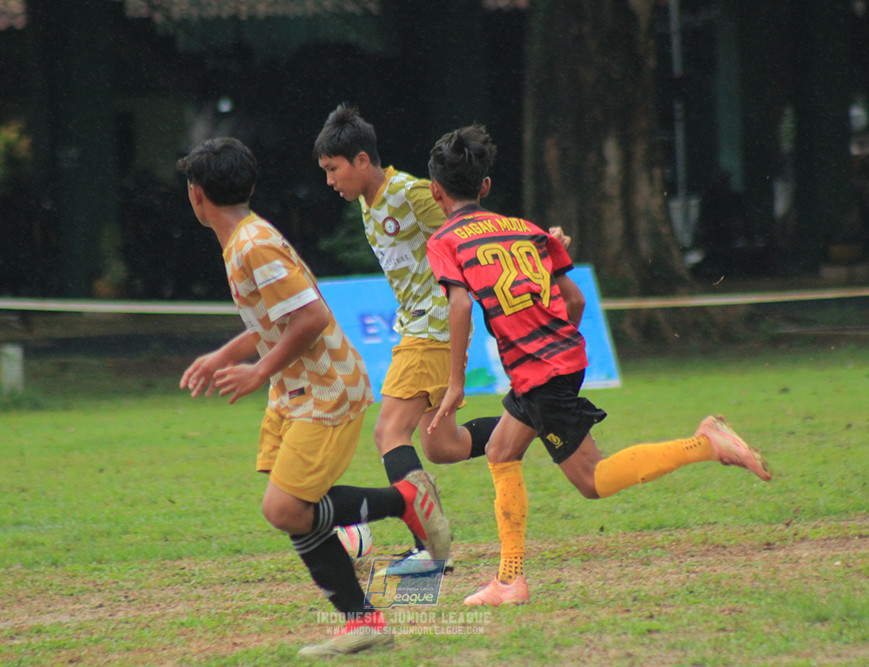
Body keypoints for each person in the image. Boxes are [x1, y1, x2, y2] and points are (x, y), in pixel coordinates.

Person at [424, 125, 772, 607]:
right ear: (485, 187)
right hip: (554, 362)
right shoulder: (527, 230)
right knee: (502, 451)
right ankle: (509, 581)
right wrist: (555, 345)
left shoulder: (444, 239)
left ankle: (705, 443)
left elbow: (459, 306)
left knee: (592, 481)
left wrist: (456, 383)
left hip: (541, 372)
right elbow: (572, 298)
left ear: (435, 190)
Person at [175, 137, 451, 656]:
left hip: (326, 390)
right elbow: (283, 315)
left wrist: (257, 372)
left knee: (286, 508)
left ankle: (405, 505)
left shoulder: (251, 244)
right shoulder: (245, 239)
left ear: (197, 195)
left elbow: (312, 317)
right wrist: (225, 356)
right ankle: (364, 619)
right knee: (290, 506)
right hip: (297, 389)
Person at [313, 104, 501, 575]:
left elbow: (471, 228)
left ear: (361, 160)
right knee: (444, 444)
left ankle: (428, 548)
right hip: (418, 325)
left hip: (433, 325)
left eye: (333, 169)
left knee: (388, 432)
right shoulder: (365, 201)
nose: (330, 180)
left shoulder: (410, 193)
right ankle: (531, 417)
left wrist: (529, 245)